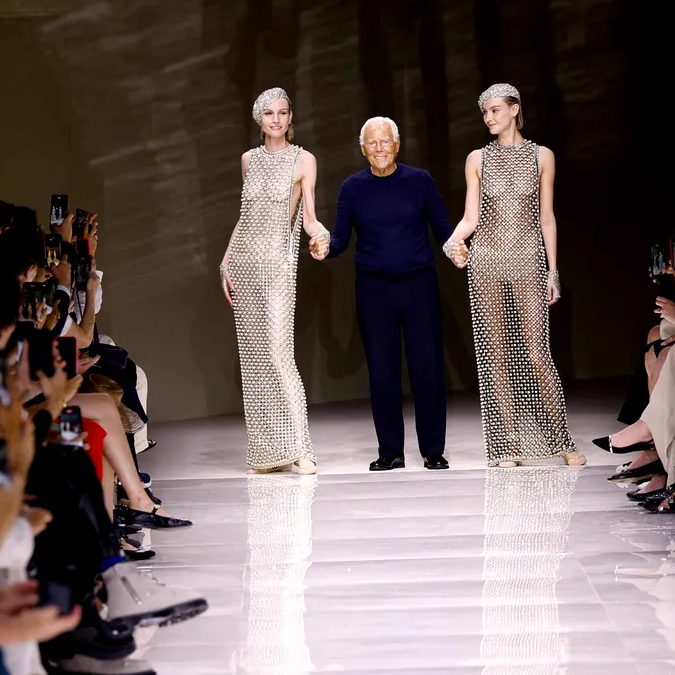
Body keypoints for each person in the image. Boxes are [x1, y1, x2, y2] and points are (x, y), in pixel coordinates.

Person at [444, 83, 586, 467]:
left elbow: (547, 217)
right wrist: (452, 242)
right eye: (484, 112)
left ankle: (562, 440)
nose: (488, 117)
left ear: (514, 109)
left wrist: (552, 270)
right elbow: (470, 218)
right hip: (487, 260)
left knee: (538, 353)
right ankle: (507, 445)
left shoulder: (542, 156)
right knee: (496, 355)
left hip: (527, 259)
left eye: (494, 110)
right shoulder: (477, 158)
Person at [311, 116, 452, 472]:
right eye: (371, 143)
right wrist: (325, 246)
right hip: (374, 289)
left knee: (427, 368)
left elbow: (443, 228)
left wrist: (458, 249)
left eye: (385, 141)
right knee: (382, 371)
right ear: (363, 149)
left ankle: (433, 450)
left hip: (419, 285)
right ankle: (390, 451)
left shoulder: (420, 181)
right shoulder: (352, 188)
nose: (379, 148)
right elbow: (341, 238)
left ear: (397, 145)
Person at [220, 87, 328, 475]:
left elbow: (309, 217)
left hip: (277, 267)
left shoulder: (303, 160)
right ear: (259, 119)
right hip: (245, 264)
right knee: (255, 360)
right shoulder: (248, 160)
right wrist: (226, 261)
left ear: (290, 116)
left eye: (283, 112)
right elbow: (246, 215)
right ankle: (268, 453)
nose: (277, 119)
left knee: (280, 355)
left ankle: (302, 449)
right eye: (269, 113)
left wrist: (321, 236)